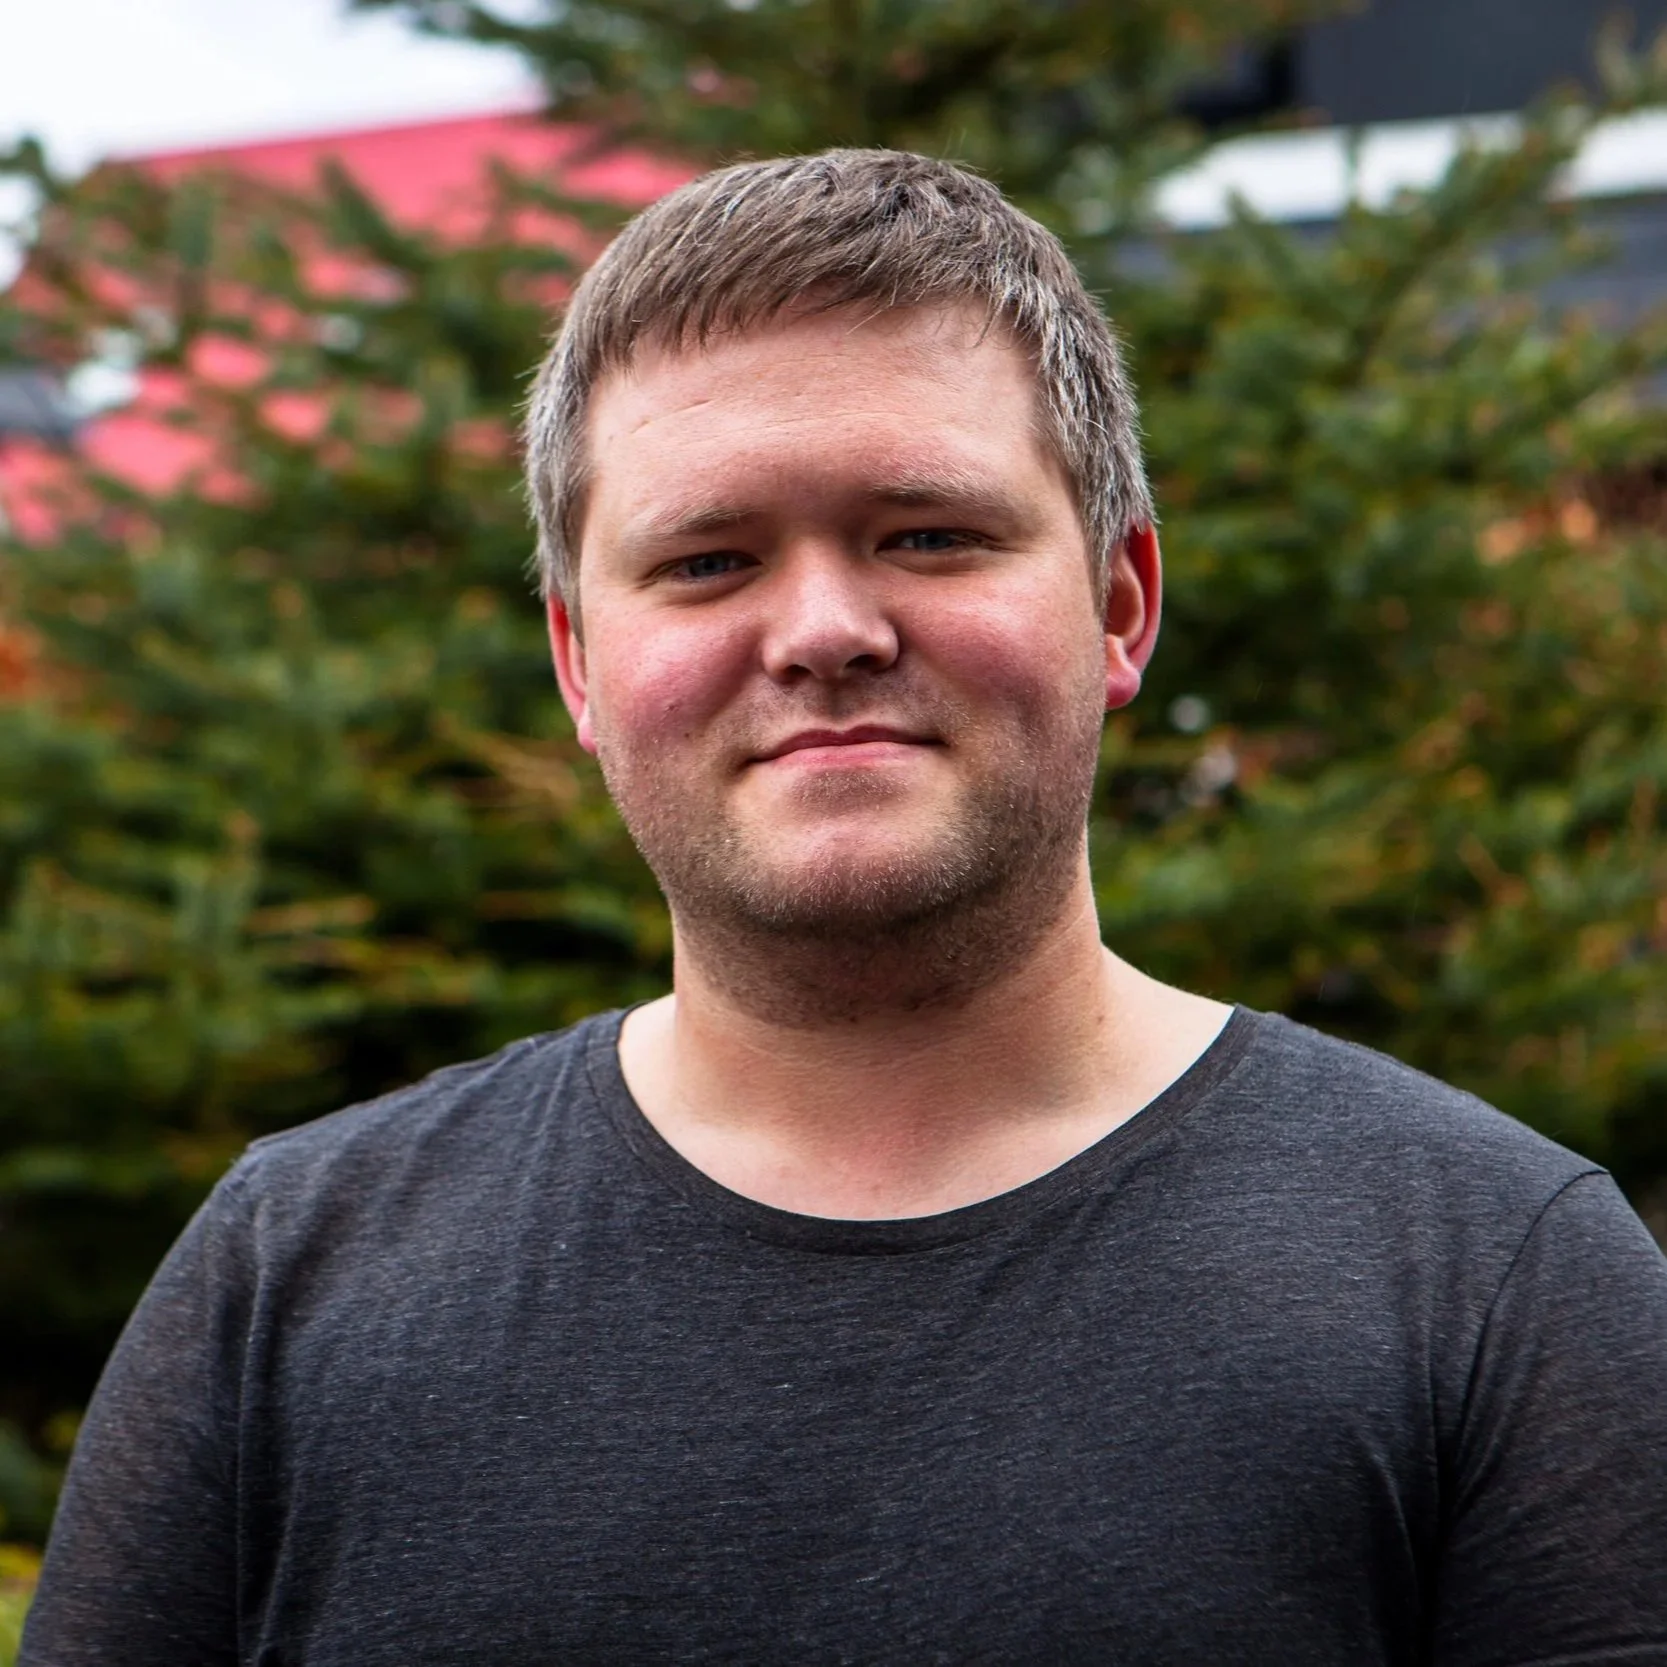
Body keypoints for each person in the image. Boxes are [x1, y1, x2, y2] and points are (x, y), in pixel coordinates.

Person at [21, 149, 1667, 1667]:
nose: (823, 629)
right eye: (706, 561)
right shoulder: (283, 1284)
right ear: (579, 662)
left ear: (1117, 602)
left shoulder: (1495, 1279)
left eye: (927, 533)